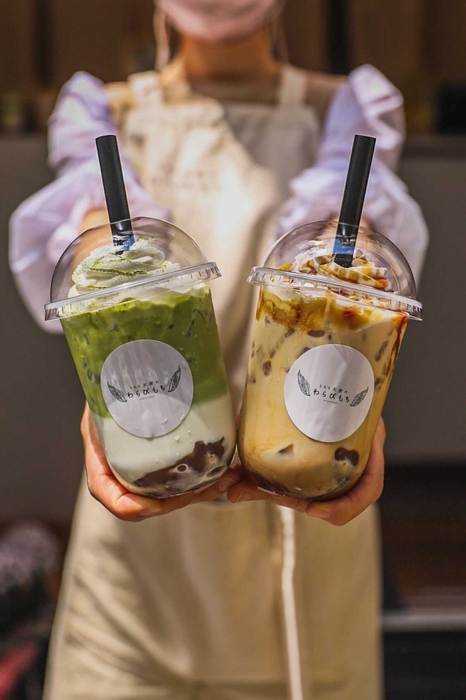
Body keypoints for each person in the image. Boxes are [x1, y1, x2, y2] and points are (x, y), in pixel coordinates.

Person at [9, 1, 428, 698]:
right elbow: (95, 242)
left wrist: (359, 409)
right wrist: (104, 399)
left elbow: (351, 264)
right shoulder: (101, 114)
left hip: (306, 542)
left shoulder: (349, 111)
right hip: (136, 574)